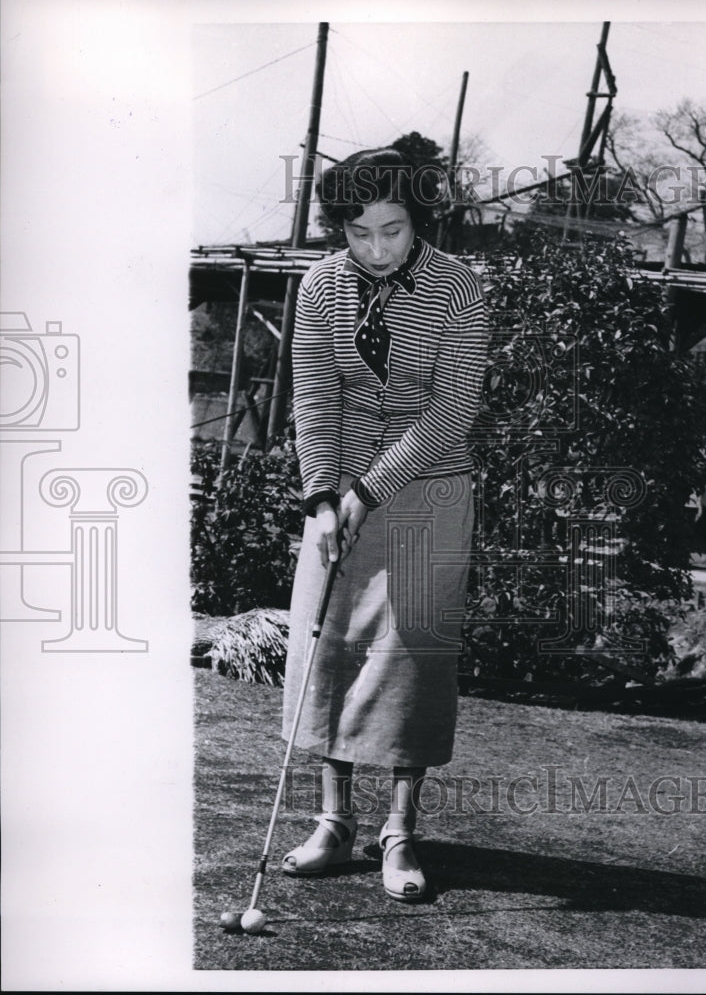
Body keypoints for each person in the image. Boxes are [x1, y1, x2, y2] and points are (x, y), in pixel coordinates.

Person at [280, 148, 489, 902]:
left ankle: (399, 831)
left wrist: (367, 491)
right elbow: (314, 394)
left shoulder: (458, 289)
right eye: (357, 232)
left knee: (411, 660)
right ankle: (332, 823)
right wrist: (321, 496)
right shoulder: (319, 285)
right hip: (337, 492)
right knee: (325, 648)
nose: (374, 249)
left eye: (392, 231)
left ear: (419, 221)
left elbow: (450, 411)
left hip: (426, 494)